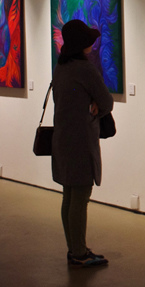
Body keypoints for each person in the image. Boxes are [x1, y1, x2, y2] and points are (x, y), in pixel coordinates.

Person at [51, 19, 113, 267]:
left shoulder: (61, 68)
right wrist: (96, 106)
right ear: (81, 44)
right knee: (80, 197)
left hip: (62, 139)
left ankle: (74, 248)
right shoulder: (85, 70)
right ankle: (79, 253)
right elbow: (106, 102)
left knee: (69, 195)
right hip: (80, 142)